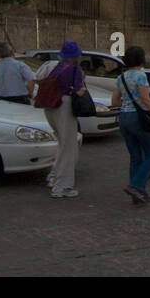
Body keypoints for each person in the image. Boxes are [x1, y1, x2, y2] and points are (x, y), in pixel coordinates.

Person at [109, 46, 150, 204]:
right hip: (138, 117)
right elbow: (145, 99)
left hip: (124, 117)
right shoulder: (141, 76)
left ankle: (138, 192)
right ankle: (136, 186)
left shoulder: (121, 77)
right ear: (142, 60)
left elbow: (114, 101)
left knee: (135, 156)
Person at [44, 40, 88, 198]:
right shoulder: (75, 70)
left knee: (62, 144)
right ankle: (62, 186)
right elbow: (79, 91)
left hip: (50, 104)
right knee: (69, 146)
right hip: (65, 105)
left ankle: (54, 177)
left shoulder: (52, 66)